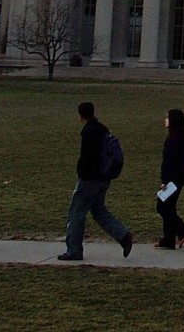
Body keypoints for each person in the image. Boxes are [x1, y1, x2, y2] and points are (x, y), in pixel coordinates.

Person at [58, 101, 133, 261]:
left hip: (90, 178)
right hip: (104, 177)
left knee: (77, 212)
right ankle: (123, 235)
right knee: (99, 210)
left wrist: (82, 173)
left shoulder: (88, 132)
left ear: (81, 116)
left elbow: (87, 157)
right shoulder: (102, 129)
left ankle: (74, 249)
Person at [155, 108, 184, 249]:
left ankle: (183, 230)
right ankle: (169, 239)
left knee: (162, 207)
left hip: (172, 179)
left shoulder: (174, 139)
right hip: (179, 177)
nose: (165, 120)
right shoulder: (182, 135)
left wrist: (165, 181)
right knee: (169, 206)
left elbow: (169, 162)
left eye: (167, 118)